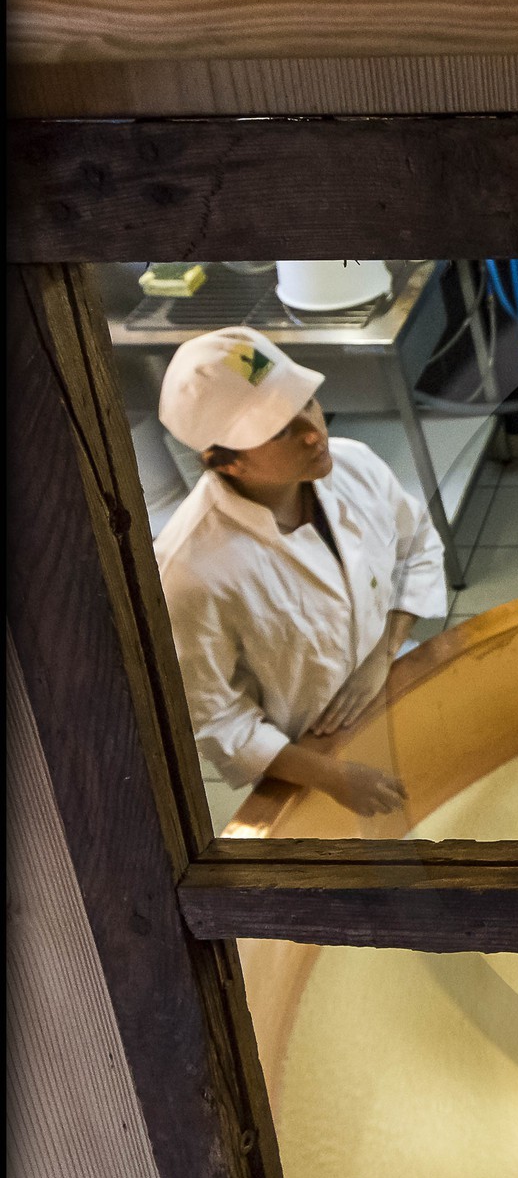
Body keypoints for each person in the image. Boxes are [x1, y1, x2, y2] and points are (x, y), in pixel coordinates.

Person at [154, 326, 448, 817]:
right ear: (224, 463)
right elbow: (212, 716)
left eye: (307, 404)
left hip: (392, 676)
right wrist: (331, 776)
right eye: (279, 430)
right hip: (308, 753)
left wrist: (383, 653)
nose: (315, 432)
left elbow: (417, 544)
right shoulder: (190, 571)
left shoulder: (355, 465)